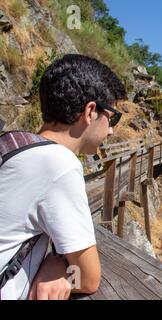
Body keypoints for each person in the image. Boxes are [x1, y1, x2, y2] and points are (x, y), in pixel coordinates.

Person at [0, 54, 126, 300]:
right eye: (112, 118)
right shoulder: (60, 165)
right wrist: (59, 264)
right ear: (90, 111)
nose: (111, 130)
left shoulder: (14, 143)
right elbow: (89, 278)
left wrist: (57, 260)